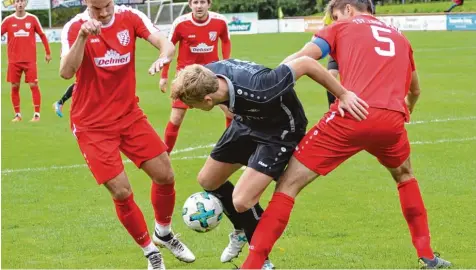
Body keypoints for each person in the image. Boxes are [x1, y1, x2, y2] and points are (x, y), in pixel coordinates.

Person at [241, 0, 452, 268]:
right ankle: (428, 256)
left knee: (288, 185)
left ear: (348, 9)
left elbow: (305, 57)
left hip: (352, 115)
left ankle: (252, 264)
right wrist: (401, 114)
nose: (334, 20)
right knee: (405, 176)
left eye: (336, 15)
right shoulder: (400, 37)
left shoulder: (342, 27)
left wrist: (266, 79)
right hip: (392, 121)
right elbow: (415, 91)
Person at [170, 58, 367, 268]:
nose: (191, 108)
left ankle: (262, 261)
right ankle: (241, 231)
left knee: (242, 200)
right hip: (247, 122)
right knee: (208, 180)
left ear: (208, 100)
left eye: (192, 106)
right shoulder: (205, 74)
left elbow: (306, 63)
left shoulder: (262, 88)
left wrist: (343, 94)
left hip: (280, 132)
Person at [59, 1, 195, 269]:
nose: (105, 12)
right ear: (87, 3)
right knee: (122, 192)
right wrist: (83, 37)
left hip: (129, 116)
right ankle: (150, 252)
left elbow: (164, 42)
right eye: (98, 8)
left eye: (107, 5)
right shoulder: (74, 27)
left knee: (165, 175)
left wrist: (164, 56)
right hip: (92, 126)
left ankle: (164, 233)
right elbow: (66, 72)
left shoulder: (129, 16)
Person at [160, 0, 233, 156]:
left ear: (209, 4)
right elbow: (169, 48)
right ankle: (165, 156)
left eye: (202, 2)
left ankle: (232, 153)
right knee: (176, 118)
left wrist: (227, 66)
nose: (199, 6)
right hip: (186, 79)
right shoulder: (180, 23)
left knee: (231, 113)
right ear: (190, 4)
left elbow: (226, 41)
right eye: (195, 2)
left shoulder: (220, 21)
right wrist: (164, 75)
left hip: (212, 76)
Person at [1, 0, 52, 122]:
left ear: (25, 3)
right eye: (17, 1)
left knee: (33, 85)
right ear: (14, 4)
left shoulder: (32, 18)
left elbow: (42, 35)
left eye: (22, 1)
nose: (19, 4)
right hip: (13, 61)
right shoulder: (8, 20)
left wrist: (48, 52)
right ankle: (17, 115)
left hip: (29, 60)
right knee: (14, 86)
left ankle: (37, 115)